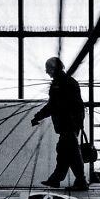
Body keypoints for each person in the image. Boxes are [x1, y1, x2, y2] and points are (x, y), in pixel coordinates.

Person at [31, 56, 87, 190]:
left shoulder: (59, 84)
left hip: (67, 124)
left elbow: (53, 106)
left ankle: (81, 182)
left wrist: (37, 117)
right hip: (71, 124)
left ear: (54, 68)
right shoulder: (68, 82)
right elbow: (76, 105)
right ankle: (55, 179)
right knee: (64, 152)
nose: (46, 72)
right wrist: (79, 123)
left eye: (48, 68)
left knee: (72, 153)